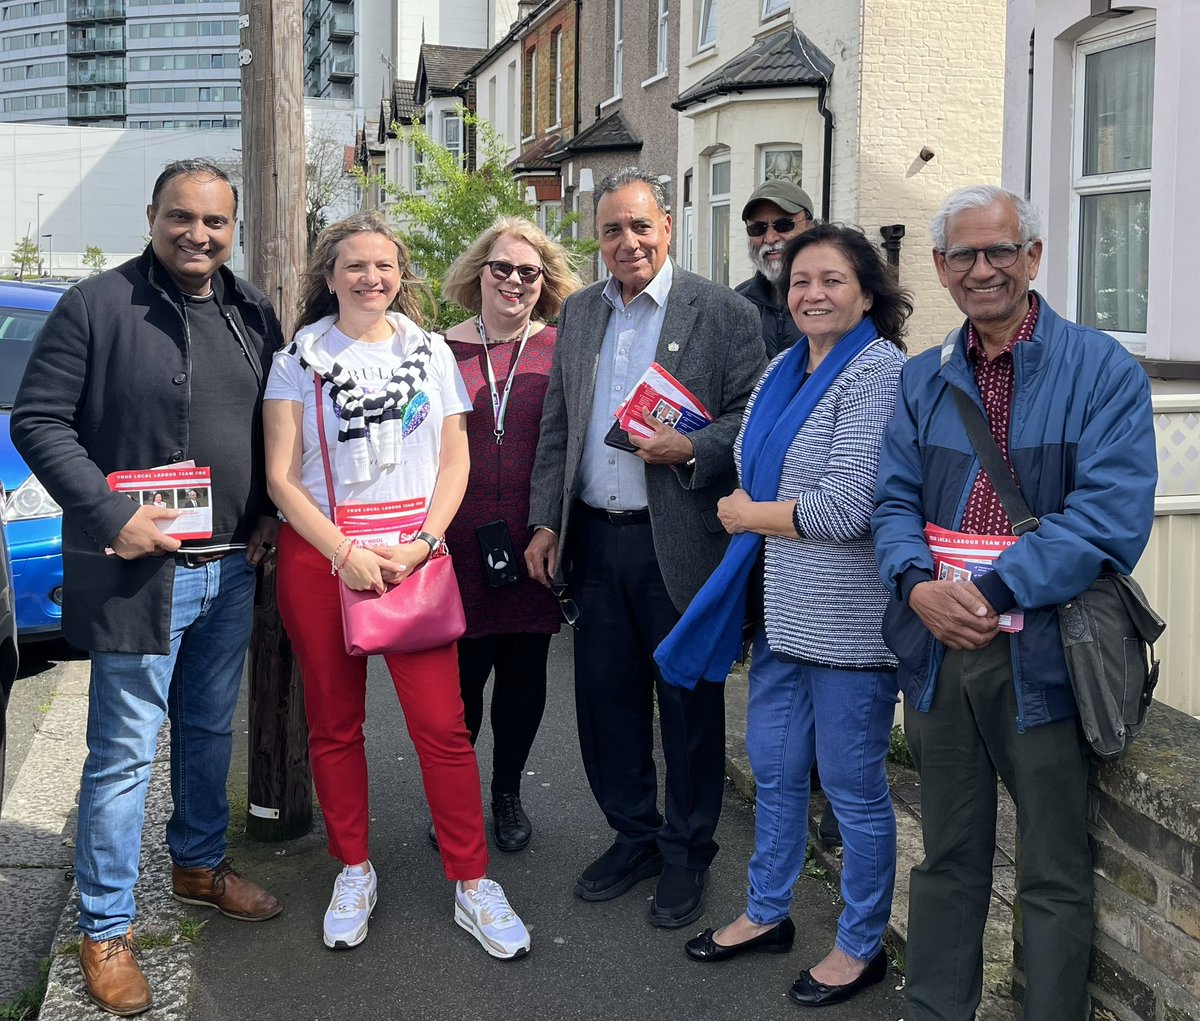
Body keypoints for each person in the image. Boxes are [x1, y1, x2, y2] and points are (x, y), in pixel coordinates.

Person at [872, 185, 1157, 1021]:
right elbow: (891, 502)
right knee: (947, 858)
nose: (983, 268)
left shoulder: (1101, 369)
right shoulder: (924, 376)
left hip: (1044, 653)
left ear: (1033, 258)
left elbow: (1108, 516)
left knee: (1053, 870)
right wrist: (916, 586)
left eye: (1001, 251)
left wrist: (989, 593)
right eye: (964, 254)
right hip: (937, 655)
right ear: (940, 268)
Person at [11, 159, 283, 1018]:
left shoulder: (252, 313)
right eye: (181, 218)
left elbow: (274, 423)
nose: (197, 235)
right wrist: (107, 514)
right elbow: (38, 420)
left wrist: (271, 512)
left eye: (213, 221)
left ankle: (198, 864)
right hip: (139, 571)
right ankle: (106, 927)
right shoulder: (96, 303)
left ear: (231, 227)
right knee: (124, 754)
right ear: (153, 216)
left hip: (234, 564)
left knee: (208, 730)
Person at [263, 211, 530, 960]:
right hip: (323, 556)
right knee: (334, 723)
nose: (371, 278)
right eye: (355, 266)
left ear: (400, 274)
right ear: (330, 275)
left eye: (384, 266)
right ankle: (354, 868)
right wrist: (343, 551)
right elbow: (281, 478)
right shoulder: (298, 359)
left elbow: (455, 463)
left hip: (413, 554)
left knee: (441, 726)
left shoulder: (431, 353)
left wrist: (422, 543)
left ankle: (472, 881)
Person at [658, 224, 908, 1007]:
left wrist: (746, 515)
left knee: (853, 789)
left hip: (847, 625)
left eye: (832, 280)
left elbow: (846, 507)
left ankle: (861, 943)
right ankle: (768, 912)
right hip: (781, 617)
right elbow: (748, 463)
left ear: (867, 291)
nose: (813, 294)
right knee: (772, 771)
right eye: (801, 281)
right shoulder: (781, 367)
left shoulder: (879, 372)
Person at [526, 167, 765, 928]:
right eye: (610, 230)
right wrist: (546, 520)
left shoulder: (721, 312)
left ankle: (689, 849)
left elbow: (750, 418)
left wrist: (690, 447)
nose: (626, 242)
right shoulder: (580, 313)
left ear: (667, 227)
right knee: (605, 700)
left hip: (677, 540)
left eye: (639, 227)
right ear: (596, 240)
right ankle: (634, 834)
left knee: (687, 703)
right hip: (596, 539)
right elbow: (559, 424)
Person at [440, 216, 582, 851]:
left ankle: (506, 794)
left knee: (524, 674)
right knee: (460, 683)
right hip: (455, 538)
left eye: (530, 272)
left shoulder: (564, 347)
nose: (515, 281)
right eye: (503, 268)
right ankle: (457, 802)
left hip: (533, 538)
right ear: (479, 272)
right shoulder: (438, 350)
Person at [735, 179, 815, 359]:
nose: (770, 238)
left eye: (784, 225)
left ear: (811, 227)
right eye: (757, 228)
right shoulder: (739, 303)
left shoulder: (832, 298)